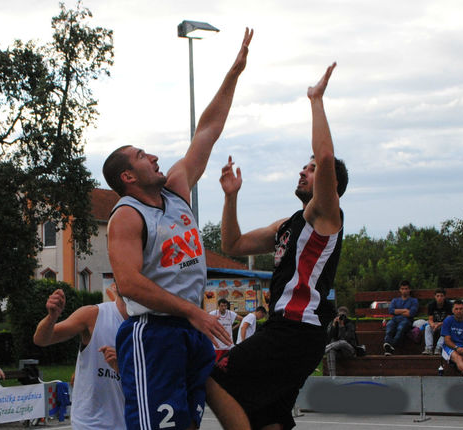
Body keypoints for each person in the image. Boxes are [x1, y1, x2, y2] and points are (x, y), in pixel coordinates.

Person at [104, 29, 253, 430]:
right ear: (128, 176)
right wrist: (192, 311)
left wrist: (234, 73)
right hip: (154, 332)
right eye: (141, 156)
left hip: (189, 330)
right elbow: (130, 284)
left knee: (187, 424)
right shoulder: (127, 216)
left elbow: (208, 129)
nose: (152, 156)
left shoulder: (176, 190)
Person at [210, 62, 349, 430]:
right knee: (266, 415)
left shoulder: (326, 215)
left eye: (310, 169)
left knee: (211, 377)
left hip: (295, 331)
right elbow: (233, 243)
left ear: (329, 185)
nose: (304, 171)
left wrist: (316, 100)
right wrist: (230, 198)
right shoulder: (287, 225)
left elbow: (325, 158)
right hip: (290, 334)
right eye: (304, 168)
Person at [33, 287, 128, 430]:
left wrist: (123, 366)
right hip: (90, 422)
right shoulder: (93, 315)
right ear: (115, 284)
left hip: (130, 421)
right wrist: (51, 317)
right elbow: (41, 339)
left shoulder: (150, 323)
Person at [383, 281, 418, 355]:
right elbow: (391, 311)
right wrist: (405, 310)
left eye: (406, 289)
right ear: (400, 290)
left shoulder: (414, 301)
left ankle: (390, 346)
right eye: (402, 289)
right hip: (394, 320)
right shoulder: (395, 300)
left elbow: (411, 313)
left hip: (406, 321)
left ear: (409, 289)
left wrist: (397, 311)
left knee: (400, 328)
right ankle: (388, 346)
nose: (404, 291)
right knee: (389, 326)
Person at [325, 306, 359, 377]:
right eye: (340, 315)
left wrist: (341, 327)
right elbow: (328, 338)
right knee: (330, 351)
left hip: (349, 350)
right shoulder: (333, 322)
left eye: (343, 316)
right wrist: (334, 326)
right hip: (338, 351)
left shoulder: (350, 324)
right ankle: (332, 377)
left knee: (342, 342)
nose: (341, 317)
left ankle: (323, 349)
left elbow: (346, 339)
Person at [423, 288, 453, 355]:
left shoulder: (449, 305)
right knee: (427, 327)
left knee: (446, 329)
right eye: (438, 296)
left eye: (441, 296)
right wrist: (432, 324)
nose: (439, 298)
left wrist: (439, 324)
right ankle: (428, 348)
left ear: (444, 297)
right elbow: (430, 319)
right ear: (435, 297)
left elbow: (448, 320)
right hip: (435, 324)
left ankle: (439, 347)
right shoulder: (431, 305)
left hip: (445, 324)